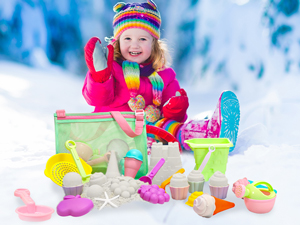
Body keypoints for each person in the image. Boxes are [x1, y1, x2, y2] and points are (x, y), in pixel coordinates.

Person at [82, 0, 240, 152]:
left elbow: (175, 118)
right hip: (113, 130)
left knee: (171, 128)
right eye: (127, 38)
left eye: (142, 39)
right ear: (117, 42)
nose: (134, 44)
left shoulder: (166, 76)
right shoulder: (111, 70)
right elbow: (97, 99)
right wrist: (100, 77)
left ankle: (211, 133)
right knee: (156, 131)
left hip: (150, 130)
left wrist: (175, 108)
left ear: (154, 44)